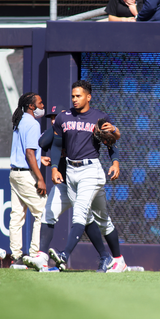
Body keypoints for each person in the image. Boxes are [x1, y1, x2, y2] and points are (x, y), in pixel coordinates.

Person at [22, 106, 120, 273]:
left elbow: (110, 140)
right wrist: (55, 127)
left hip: (83, 180)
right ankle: (42, 257)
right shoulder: (58, 130)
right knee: (49, 213)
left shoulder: (79, 130)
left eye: (56, 117)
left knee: (88, 218)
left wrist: (115, 159)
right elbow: (42, 143)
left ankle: (104, 256)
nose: (53, 119)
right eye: (51, 118)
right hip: (64, 182)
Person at [47, 80, 128, 272]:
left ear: (88, 97)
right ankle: (116, 259)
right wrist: (54, 168)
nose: (74, 99)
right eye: (73, 96)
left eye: (79, 96)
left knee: (80, 212)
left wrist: (115, 162)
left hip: (91, 170)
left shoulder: (99, 118)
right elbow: (57, 145)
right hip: (71, 171)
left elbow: (112, 142)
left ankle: (64, 255)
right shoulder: (63, 117)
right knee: (101, 219)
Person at [8, 92, 48, 265]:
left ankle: (16, 257)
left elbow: (27, 152)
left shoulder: (20, 120)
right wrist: (40, 178)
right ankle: (35, 254)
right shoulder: (32, 123)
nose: (42, 105)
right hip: (26, 175)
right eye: (40, 103)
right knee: (43, 213)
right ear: (31, 106)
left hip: (14, 173)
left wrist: (41, 159)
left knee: (17, 216)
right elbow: (29, 153)